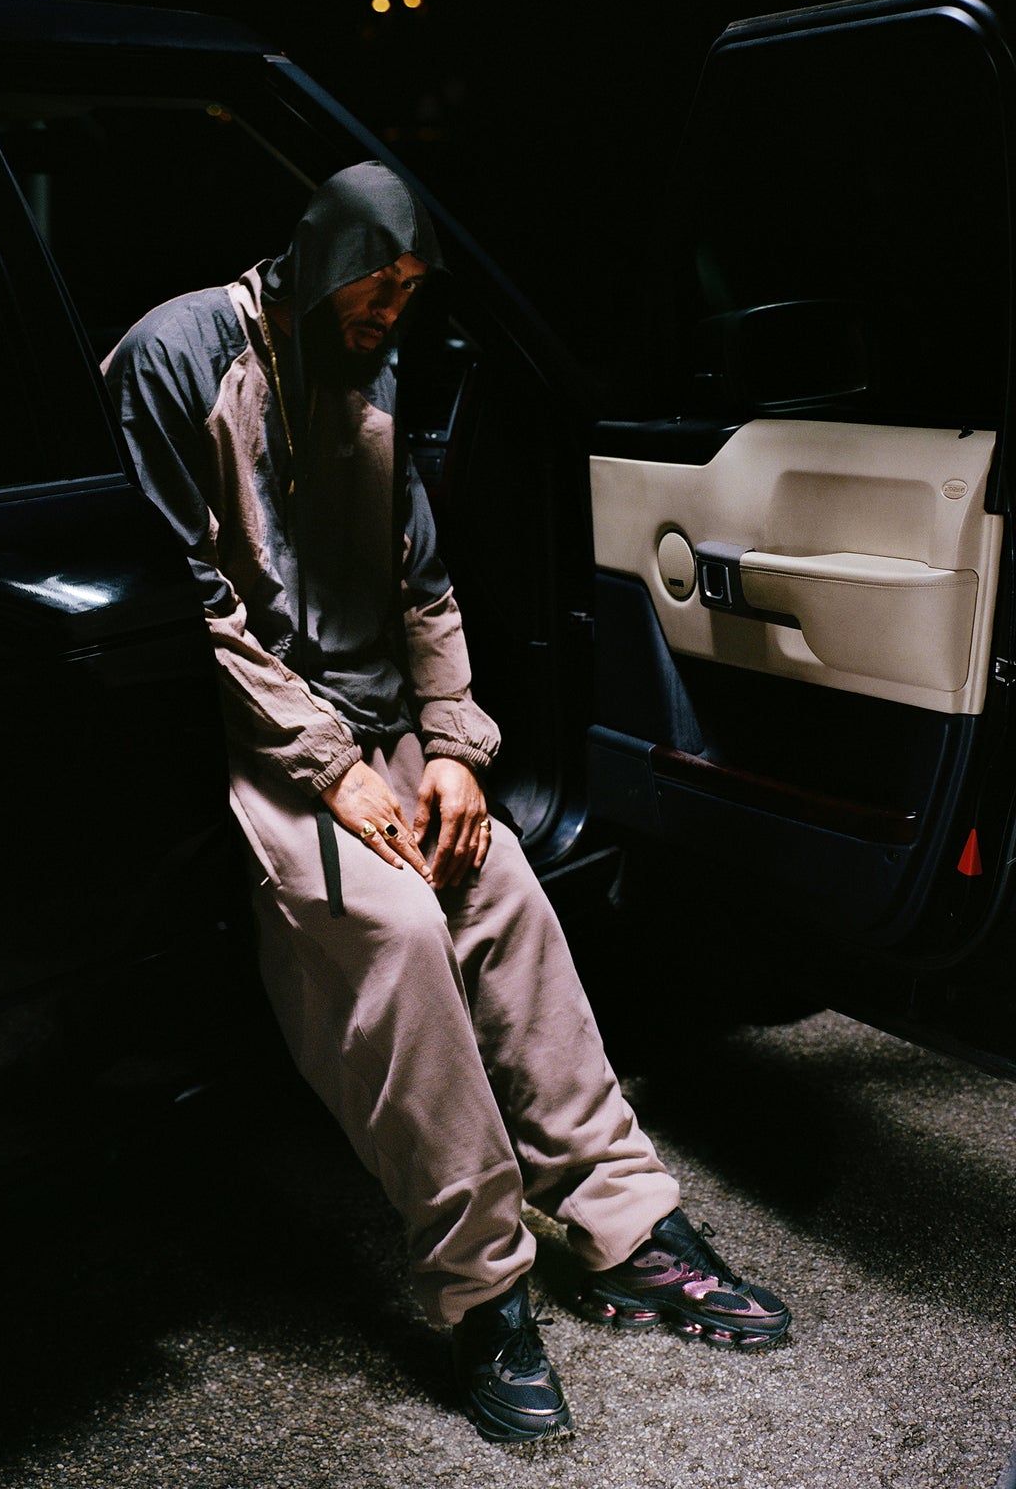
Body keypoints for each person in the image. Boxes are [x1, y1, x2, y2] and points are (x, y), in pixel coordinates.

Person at [101, 161, 790, 1443]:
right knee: (399, 930)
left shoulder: (366, 369)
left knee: (504, 888)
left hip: (381, 727)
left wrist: (456, 748)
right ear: (323, 259)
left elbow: (422, 587)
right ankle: (483, 1290)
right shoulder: (177, 357)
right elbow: (193, 607)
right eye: (379, 283)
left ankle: (626, 1223)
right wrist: (330, 764)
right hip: (259, 739)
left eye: (412, 290)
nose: (392, 310)